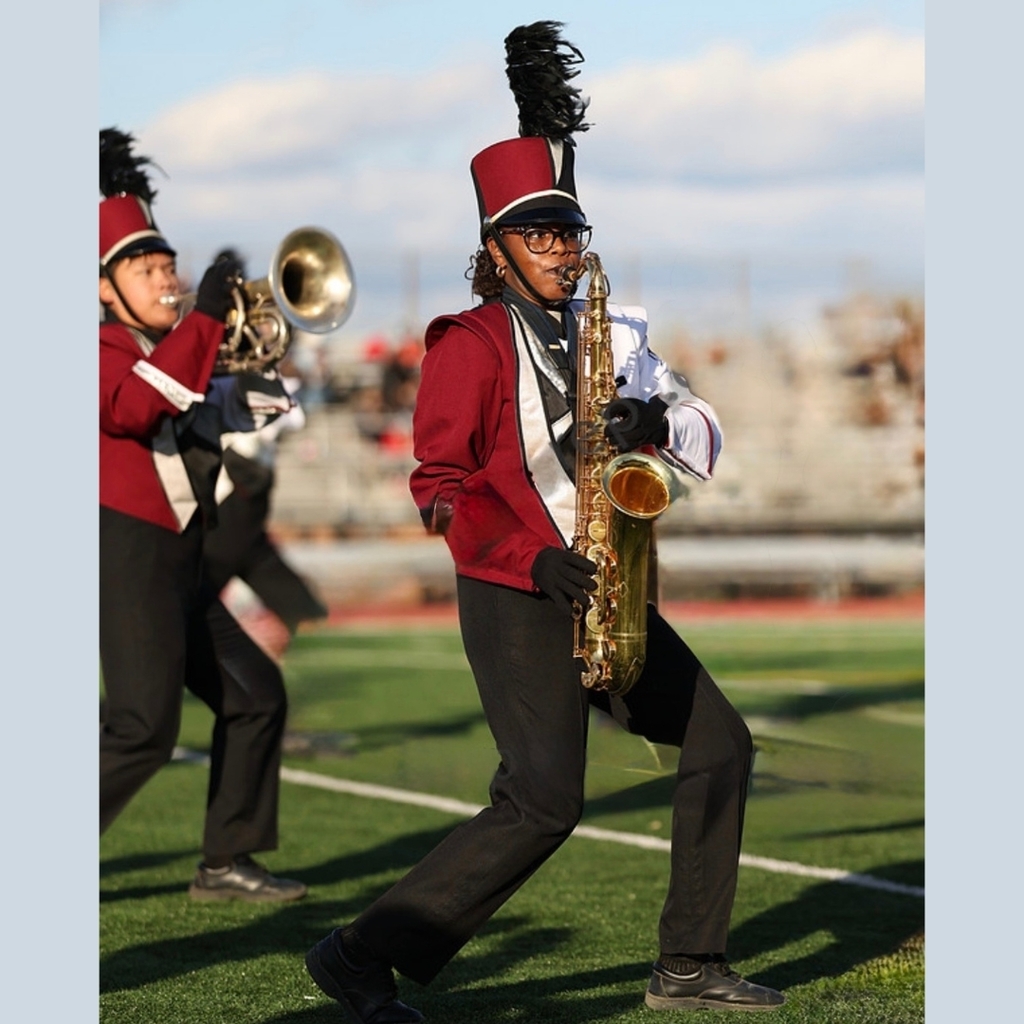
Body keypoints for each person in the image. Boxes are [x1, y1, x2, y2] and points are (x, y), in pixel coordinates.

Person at [304, 23, 783, 1021]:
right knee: (542, 802)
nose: (562, 250)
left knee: (720, 746)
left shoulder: (618, 332)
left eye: (572, 232)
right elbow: (437, 483)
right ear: (496, 250)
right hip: (520, 592)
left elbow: (702, 428)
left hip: (610, 584)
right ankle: (356, 954)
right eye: (540, 234)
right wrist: (530, 561)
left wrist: (657, 420)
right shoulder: (466, 344)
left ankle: (688, 963)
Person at [99, 128, 306, 902]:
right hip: (126, 552)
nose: (166, 279)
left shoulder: (179, 350)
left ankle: (227, 861)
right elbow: (131, 407)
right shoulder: (100, 350)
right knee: (141, 730)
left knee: (255, 694)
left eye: (168, 266)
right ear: (103, 287)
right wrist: (203, 325)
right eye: (145, 269)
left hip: (180, 560)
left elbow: (248, 405)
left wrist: (253, 360)